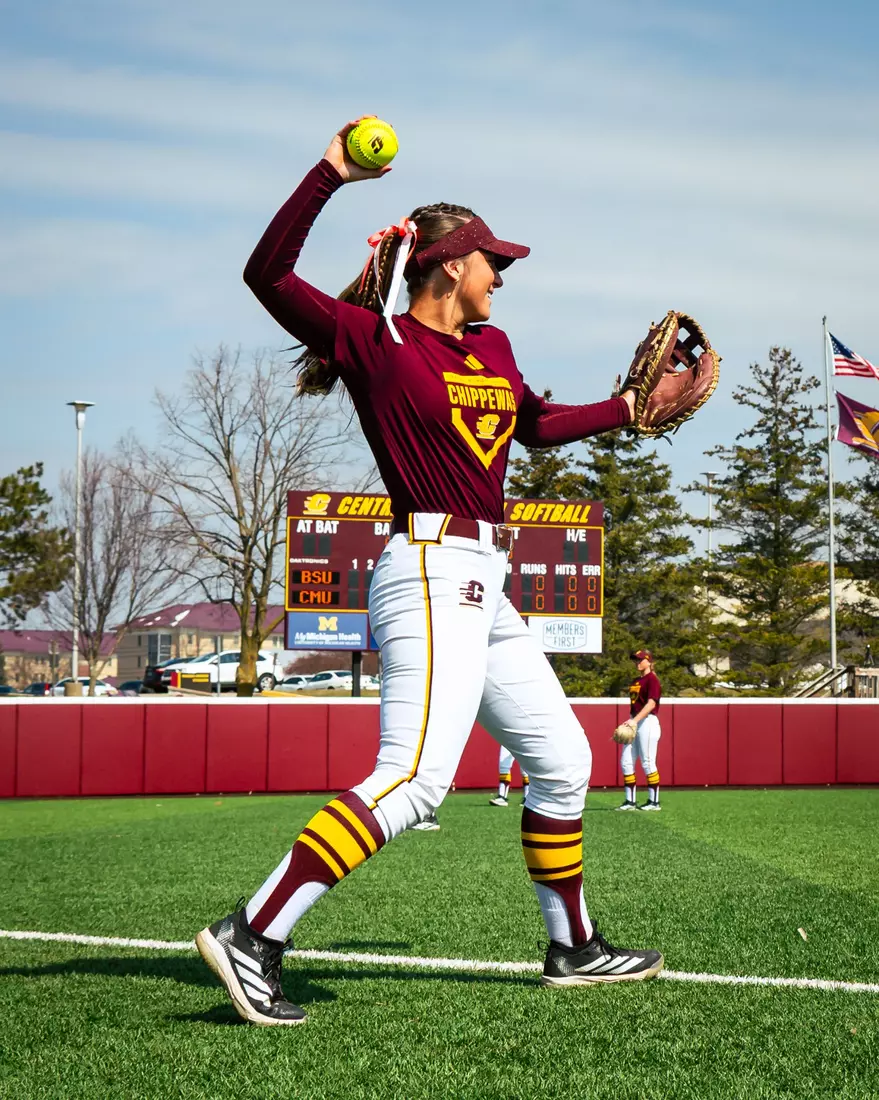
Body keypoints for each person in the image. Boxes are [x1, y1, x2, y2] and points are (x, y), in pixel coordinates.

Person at [195, 117, 663, 1026]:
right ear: (448, 266)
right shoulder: (373, 340)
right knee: (413, 780)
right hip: (425, 569)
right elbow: (267, 276)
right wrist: (330, 174)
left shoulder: (494, 347)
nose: (501, 276)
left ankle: (573, 947)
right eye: (493, 262)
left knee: (563, 761)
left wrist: (628, 407)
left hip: (485, 579)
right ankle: (253, 933)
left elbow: (535, 425)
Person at [617, 649, 663, 812]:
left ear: (649, 661)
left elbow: (651, 704)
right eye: (636, 660)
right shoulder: (636, 680)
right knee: (626, 761)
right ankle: (630, 802)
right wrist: (631, 720)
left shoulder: (652, 680)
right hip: (635, 721)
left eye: (640, 659)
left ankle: (654, 802)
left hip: (647, 722)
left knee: (648, 761)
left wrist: (634, 721)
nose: (637, 662)